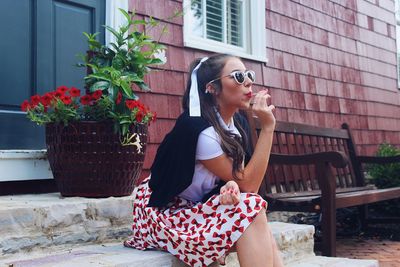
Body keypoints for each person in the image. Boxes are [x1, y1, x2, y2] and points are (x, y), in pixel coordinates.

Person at [124, 54, 284, 267]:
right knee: (252, 209)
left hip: (197, 204)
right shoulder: (202, 132)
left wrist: (230, 186)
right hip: (166, 211)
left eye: (248, 75)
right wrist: (267, 128)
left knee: (254, 214)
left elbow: (240, 182)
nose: (248, 82)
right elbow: (251, 185)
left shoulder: (236, 126)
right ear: (212, 88)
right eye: (238, 76)